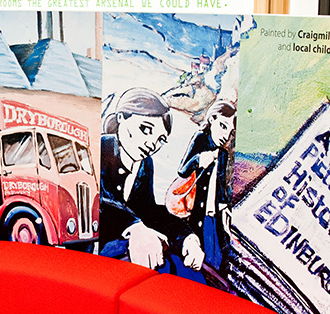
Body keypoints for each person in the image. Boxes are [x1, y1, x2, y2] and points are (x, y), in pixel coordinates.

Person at [100, 87, 204, 275]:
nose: (151, 144)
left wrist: (187, 238)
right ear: (122, 117)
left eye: (160, 140)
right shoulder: (102, 148)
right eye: (145, 129)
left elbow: (148, 210)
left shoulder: (145, 164)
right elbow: (100, 200)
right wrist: (135, 228)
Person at [176, 100, 236, 275]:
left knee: (217, 255)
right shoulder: (200, 139)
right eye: (223, 126)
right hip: (197, 210)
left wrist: (225, 207)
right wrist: (200, 159)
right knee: (199, 254)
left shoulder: (223, 153)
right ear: (212, 119)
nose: (225, 135)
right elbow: (182, 170)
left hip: (214, 212)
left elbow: (221, 185)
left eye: (230, 132)